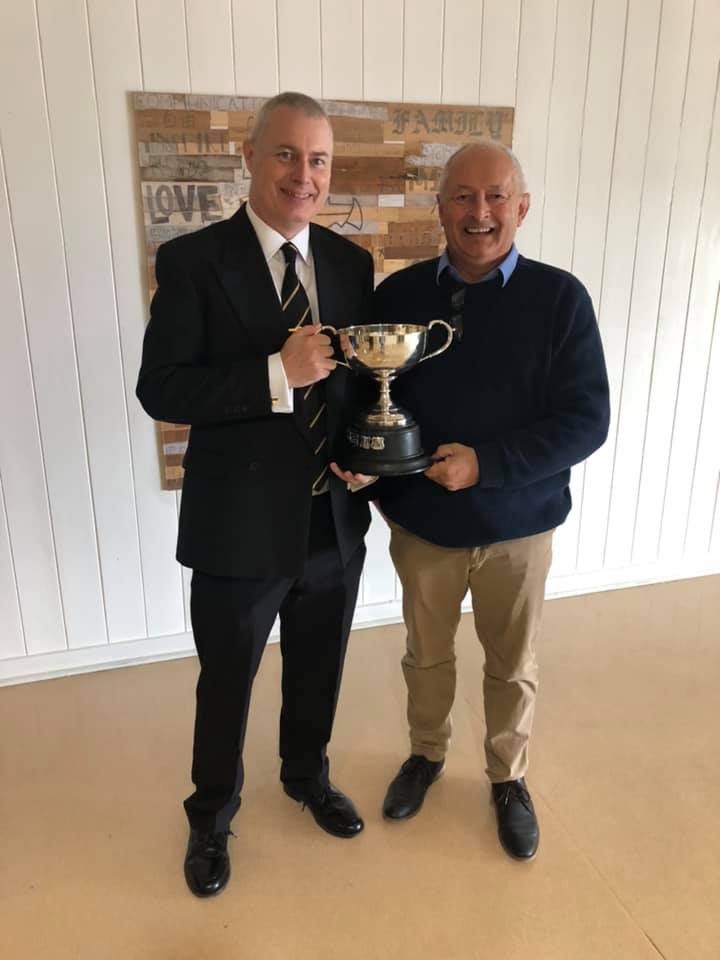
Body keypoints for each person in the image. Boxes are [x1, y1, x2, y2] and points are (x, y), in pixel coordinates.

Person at [137, 92, 374, 897]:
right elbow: (161, 387)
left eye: (318, 160)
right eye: (286, 154)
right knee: (228, 679)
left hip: (330, 518)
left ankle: (306, 776)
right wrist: (277, 375)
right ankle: (211, 814)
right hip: (238, 527)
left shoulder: (349, 264)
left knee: (320, 666)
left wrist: (361, 455)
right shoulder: (195, 261)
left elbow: (353, 388)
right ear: (250, 155)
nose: (302, 175)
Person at [371, 141, 610, 860]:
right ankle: (425, 755)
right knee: (426, 656)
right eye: (463, 197)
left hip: (520, 526)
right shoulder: (397, 298)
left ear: (522, 207)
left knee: (513, 664)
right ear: (439, 208)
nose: (480, 213)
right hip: (425, 528)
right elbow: (371, 402)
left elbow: (586, 420)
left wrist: (489, 465)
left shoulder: (560, 299)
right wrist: (372, 474)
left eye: (496, 196)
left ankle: (508, 778)